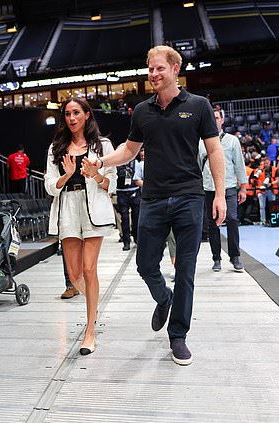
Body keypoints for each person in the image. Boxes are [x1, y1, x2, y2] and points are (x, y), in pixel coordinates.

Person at [82, 45, 226, 366]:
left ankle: (178, 336)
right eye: (150, 69)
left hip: (189, 197)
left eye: (159, 68)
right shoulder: (141, 111)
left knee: (185, 269)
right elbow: (129, 151)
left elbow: (214, 151)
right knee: (146, 265)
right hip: (154, 199)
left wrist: (218, 194)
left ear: (175, 69)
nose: (153, 74)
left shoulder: (199, 106)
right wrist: (101, 162)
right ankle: (164, 298)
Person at [45, 97, 117, 356]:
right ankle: (94, 305)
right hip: (68, 209)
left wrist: (95, 174)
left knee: (89, 268)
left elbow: (112, 184)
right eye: (67, 114)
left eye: (76, 112)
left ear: (87, 114)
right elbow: (50, 186)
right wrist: (66, 175)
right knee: (75, 276)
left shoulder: (103, 145)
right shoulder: (57, 147)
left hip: (94, 208)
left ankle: (90, 331)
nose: (71, 118)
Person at [199, 109, 248, 272]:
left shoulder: (232, 140)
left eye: (217, 117)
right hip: (208, 187)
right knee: (213, 224)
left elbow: (239, 165)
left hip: (228, 186)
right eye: (212, 117)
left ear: (222, 121)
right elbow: (198, 165)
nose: (214, 120)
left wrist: (243, 187)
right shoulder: (200, 142)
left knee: (233, 219)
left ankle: (235, 257)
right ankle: (216, 258)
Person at [115, 152, 140, 251]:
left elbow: (139, 177)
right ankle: (126, 241)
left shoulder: (135, 163)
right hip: (122, 193)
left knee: (136, 217)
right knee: (124, 218)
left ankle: (137, 239)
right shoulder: (116, 164)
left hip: (134, 191)